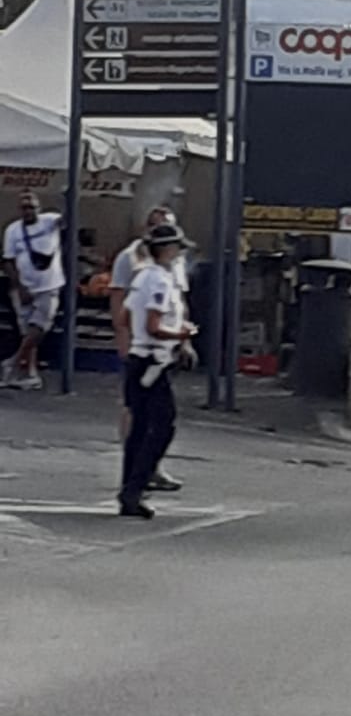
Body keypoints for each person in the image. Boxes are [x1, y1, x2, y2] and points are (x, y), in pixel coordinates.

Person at [118, 223, 196, 520]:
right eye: (176, 248)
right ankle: (138, 483)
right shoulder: (161, 282)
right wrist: (182, 335)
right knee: (163, 426)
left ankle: (129, 491)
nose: (178, 254)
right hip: (154, 361)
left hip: (138, 358)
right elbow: (154, 326)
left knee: (138, 428)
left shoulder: (141, 278)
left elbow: (125, 317)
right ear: (167, 250)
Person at [1, 190, 65, 391]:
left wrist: (69, 198)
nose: (28, 211)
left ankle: (11, 363)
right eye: (24, 208)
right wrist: (19, 287)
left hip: (49, 285)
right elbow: (8, 260)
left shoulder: (50, 221)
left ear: (39, 207)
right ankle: (29, 373)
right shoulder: (13, 230)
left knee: (40, 326)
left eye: (32, 207)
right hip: (25, 286)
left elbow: (68, 219)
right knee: (27, 332)